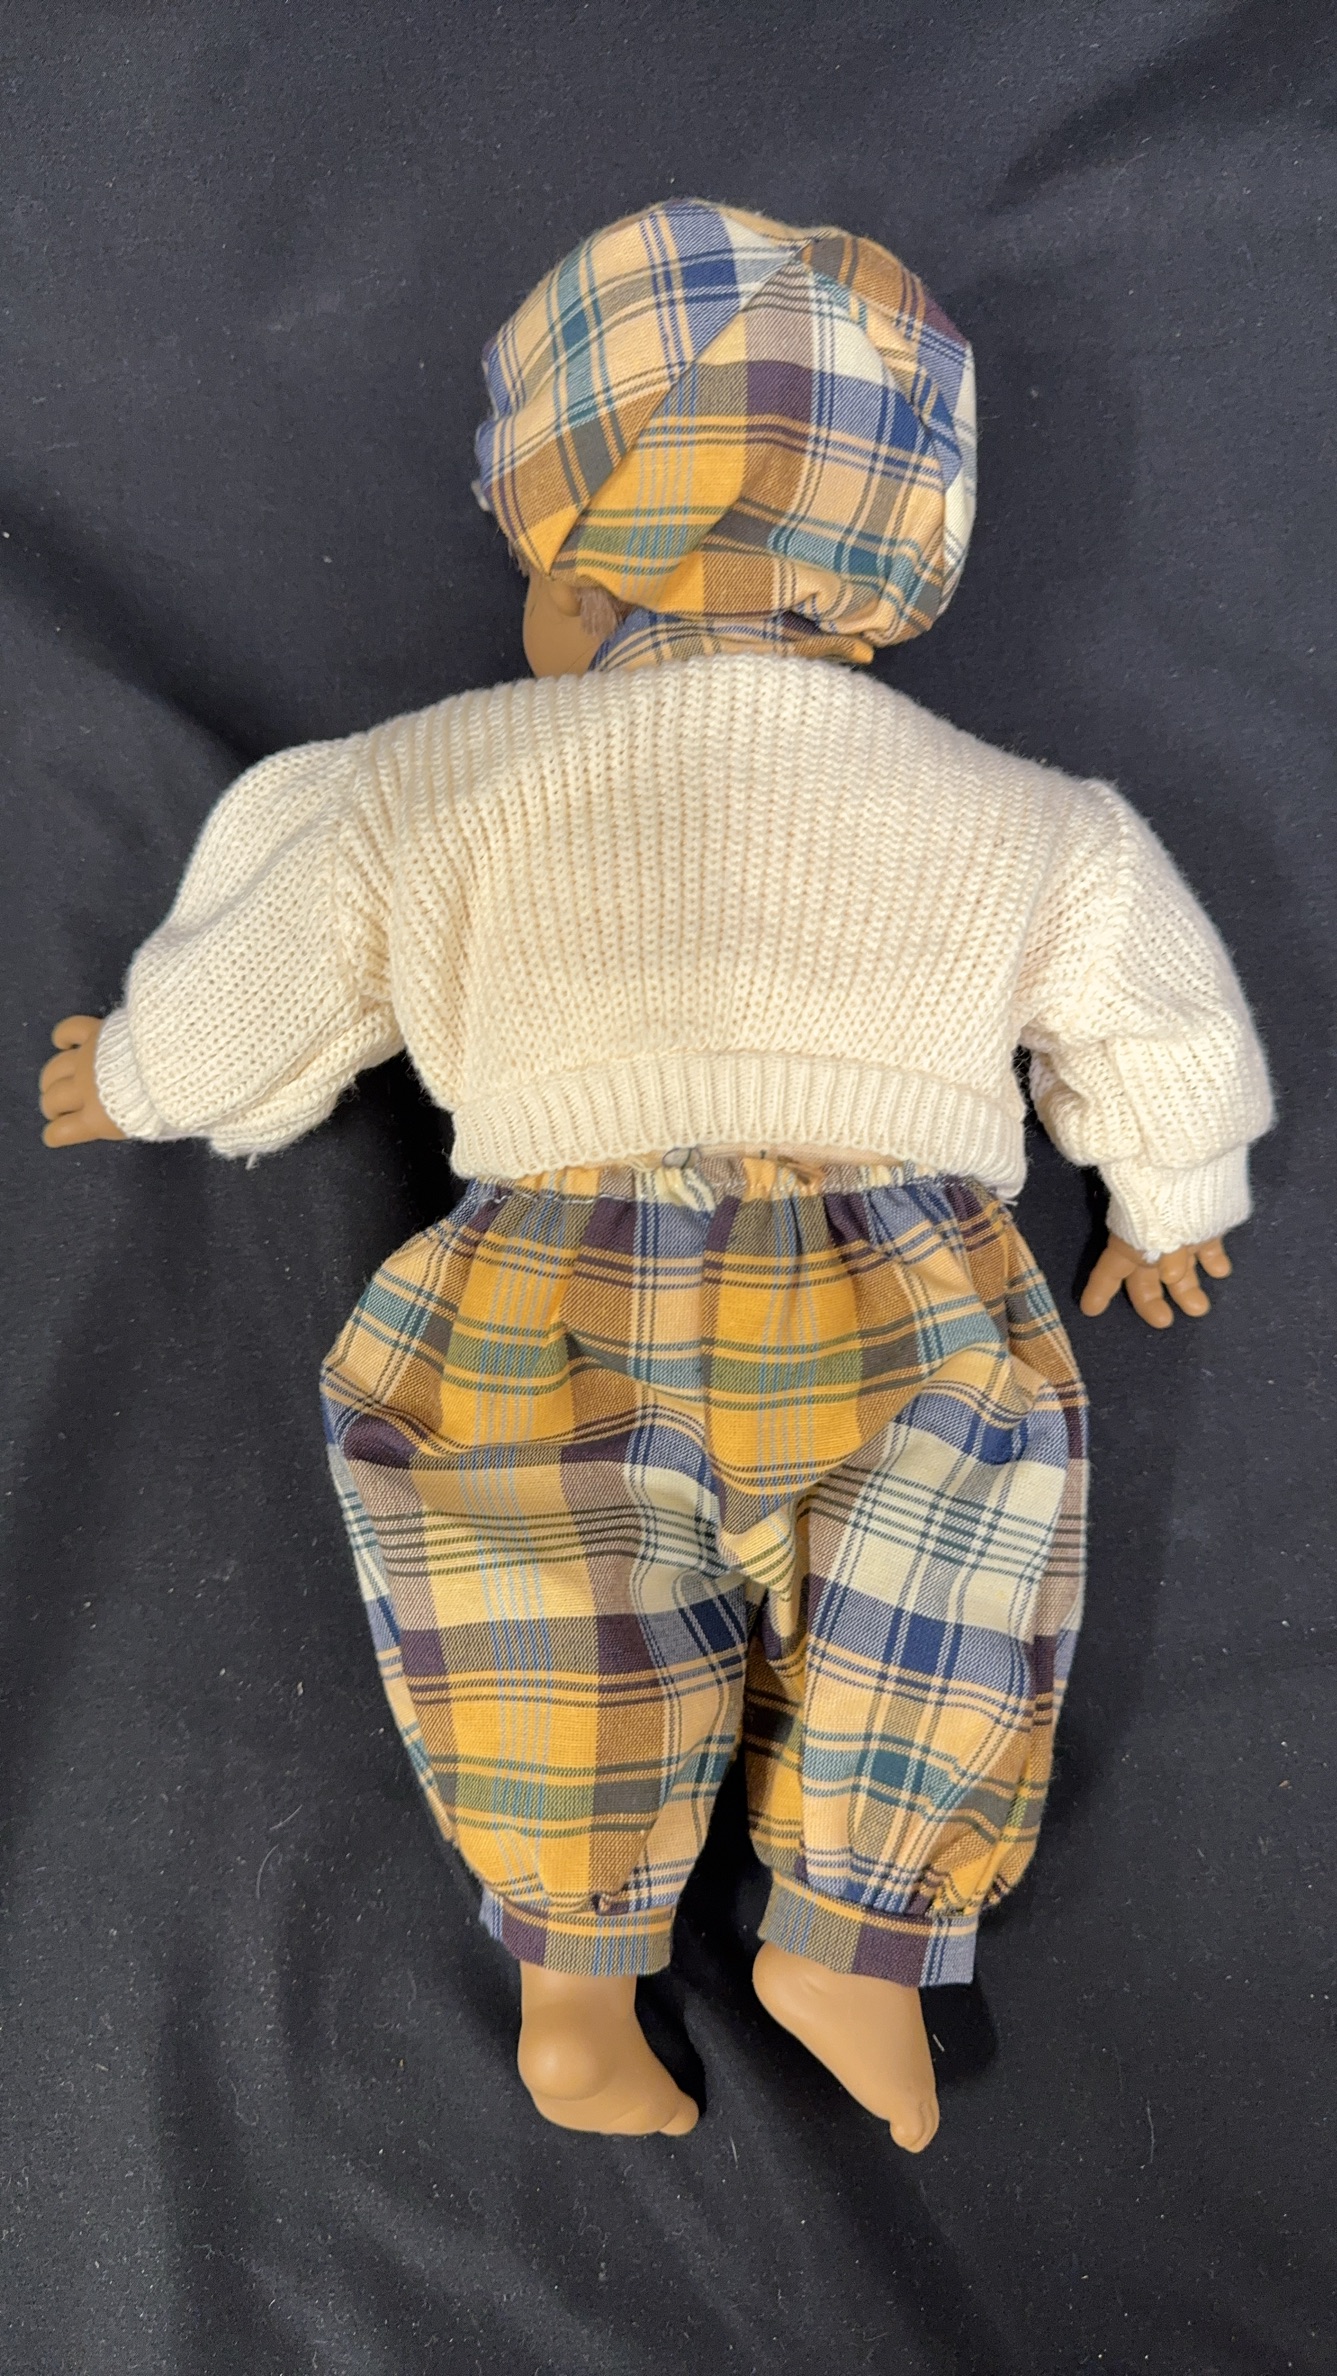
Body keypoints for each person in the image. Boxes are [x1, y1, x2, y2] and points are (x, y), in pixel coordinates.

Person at [38, 200, 1272, 2151]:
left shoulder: (441, 776)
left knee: (540, 1616)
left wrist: (142, 1072)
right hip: (906, 1287)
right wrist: (1172, 1189)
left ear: (564, 562)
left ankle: (575, 1980)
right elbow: (1154, 992)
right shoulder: (1019, 813)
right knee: (935, 1590)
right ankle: (857, 1936)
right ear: (891, 583)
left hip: (546, 1290)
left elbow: (275, 975)